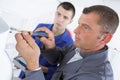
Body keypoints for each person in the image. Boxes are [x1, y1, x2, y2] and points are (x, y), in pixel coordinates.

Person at [15, 5, 119, 80]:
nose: (75, 31)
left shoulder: (95, 76)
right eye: (79, 24)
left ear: (105, 38)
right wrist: (50, 47)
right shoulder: (79, 47)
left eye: (86, 27)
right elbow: (59, 57)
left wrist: (33, 65)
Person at [19, 2, 75, 80]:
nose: (60, 19)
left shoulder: (70, 44)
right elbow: (29, 44)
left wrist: (42, 68)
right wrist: (21, 57)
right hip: (25, 72)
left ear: (70, 21)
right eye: (58, 14)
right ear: (55, 13)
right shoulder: (41, 26)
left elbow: (64, 71)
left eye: (65, 17)